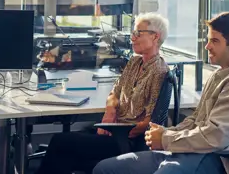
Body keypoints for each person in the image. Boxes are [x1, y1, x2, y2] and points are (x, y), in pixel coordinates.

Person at [93, 12, 229, 174]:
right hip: (191, 149)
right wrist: (166, 132)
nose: (207, 46)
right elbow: (195, 120)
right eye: (208, 40)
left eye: (214, 41)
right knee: (105, 168)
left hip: (220, 159)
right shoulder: (220, 74)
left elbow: (216, 137)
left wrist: (166, 139)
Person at [35, 13, 171, 174]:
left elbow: (150, 123)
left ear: (155, 37)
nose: (132, 38)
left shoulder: (159, 72)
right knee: (65, 153)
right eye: (132, 33)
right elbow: (115, 91)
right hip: (114, 130)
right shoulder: (135, 62)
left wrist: (116, 130)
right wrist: (110, 112)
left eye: (137, 33)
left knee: (61, 142)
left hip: (126, 140)